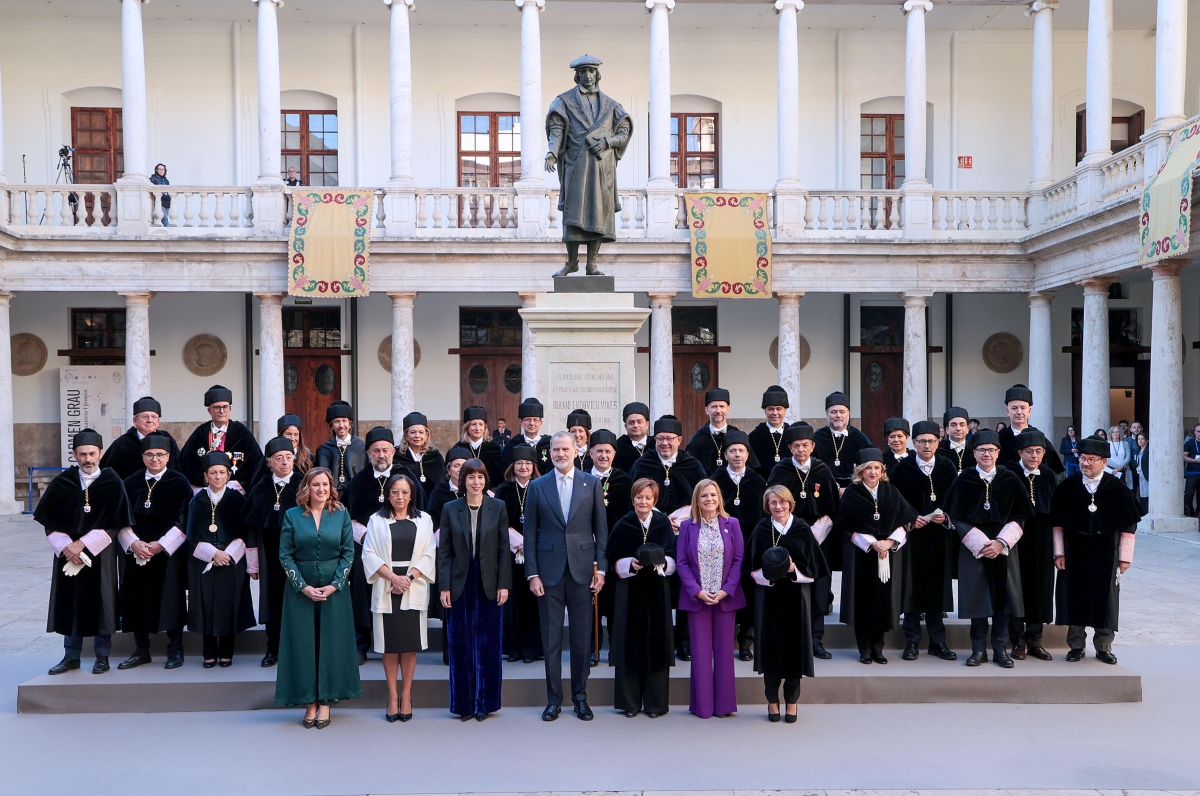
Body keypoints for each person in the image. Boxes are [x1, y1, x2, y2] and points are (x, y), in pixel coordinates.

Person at [522, 431, 609, 722]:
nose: (560, 454)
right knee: (551, 639)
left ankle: (580, 698)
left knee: (582, 639)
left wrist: (602, 569)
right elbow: (530, 535)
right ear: (549, 453)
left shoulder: (592, 483)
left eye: (565, 449)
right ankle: (553, 700)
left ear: (576, 451)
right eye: (555, 449)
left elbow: (601, 531)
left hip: (583, 571)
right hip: (548, 574)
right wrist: (532, 573)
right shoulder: (537, 486)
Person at [37, 429, 134, 675]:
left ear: (100, 453)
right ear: (74, 455)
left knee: (103, 602)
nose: (87, 459)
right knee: (71, 602)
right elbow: (49, 520)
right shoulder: (63, 482)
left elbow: (116, 522)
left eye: (92, 453)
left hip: (100, 554)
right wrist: (68, 547)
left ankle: (102, 656)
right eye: (82, 454)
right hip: (67, 554)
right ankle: (71, 656)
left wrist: (84, 545)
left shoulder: (113, 482)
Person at [275, 467, 361, 728]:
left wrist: (336, 585)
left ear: (331, 487)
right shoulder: (292, 515)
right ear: (307, 488)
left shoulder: (342, 514)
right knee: (303, 646)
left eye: (325, 484)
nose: (321, 489)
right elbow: (285, 555)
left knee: (331, 646)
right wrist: (302, 586)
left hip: (334, 592)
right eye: (316, 485)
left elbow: (348, 552)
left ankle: (326, 702)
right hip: (300, 592)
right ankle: (309, 702)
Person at [942, 429, 1033, 668]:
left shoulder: (1010, 478)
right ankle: (978, 649)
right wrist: (982, 544)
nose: (986, 454)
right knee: (977, 599)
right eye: (982, 450)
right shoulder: (963, 480)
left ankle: (1001, 649)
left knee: (1003, 600)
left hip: (1003, 547)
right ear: (974, 453)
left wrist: (1000, 542)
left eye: (991, 450)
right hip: (975, 549)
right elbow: (956, 516)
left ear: (998, 453)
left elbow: (1021, 516)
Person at [1051, 435, 1141, 664]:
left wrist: (1125, 558)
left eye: (1092, 459)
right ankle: (1076, 646)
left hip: (1106, 552)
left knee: (1106, 599)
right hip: (1074, 551)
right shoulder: (1067, 487)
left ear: (1104, 462)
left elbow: (1129, 526)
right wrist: (1059, 552)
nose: (1086, 463)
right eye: (1082, 458)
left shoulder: (1118, 489)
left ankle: (1103, 646)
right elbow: (1057, 524)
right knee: (1074, 597)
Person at [545, 53, 632, 276]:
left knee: (598, 214)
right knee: (574, 215)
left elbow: (624, 131)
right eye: (583, 72)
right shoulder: (563, 101)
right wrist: (552, 152)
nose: (588, 76)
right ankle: (572, 261)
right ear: (577, 76)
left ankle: (592, 264)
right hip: (575, 167)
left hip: (601, 169)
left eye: (591, 71)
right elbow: (557, 129)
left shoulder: (612, 106)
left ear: (597, 74)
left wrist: (607, 142)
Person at [628, 414, 707, 660]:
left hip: (686, 535)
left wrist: (683, 517)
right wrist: (661, 518)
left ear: (679, 440)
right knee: (655, 585)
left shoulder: (692, 464)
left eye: (669, 439)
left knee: (686, 585)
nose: (664, 444)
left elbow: (704, 498)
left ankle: (684, 640)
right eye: (660, 439)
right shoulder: (644, 463)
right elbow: (635, 497)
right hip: (652, 534)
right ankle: (658, 638)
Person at [438, 459, 511, 720]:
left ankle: (486, 703)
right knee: (461, 644)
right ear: (463, 480)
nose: (476, 482)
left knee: (489, 645)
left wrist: (504, 583)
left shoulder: (498, 507)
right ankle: (464, 705)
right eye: (471, 477)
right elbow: (444, 551)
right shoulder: (450, 508)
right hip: (460, 582)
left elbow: (504, 550)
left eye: (480, 477)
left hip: (490, 583)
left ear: (485, 480)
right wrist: (444, 586)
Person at [749, 485, 829, 723]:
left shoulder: (802, 529)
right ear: (767, 506)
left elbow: (814, 571)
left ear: (790, 503)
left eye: (782, 502)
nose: (778, 506)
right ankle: (772, 700)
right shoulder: (762, 529)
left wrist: (793, 571)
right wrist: (770, 575)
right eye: (773, 503)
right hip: (769, 598)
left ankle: (792, 701)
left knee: (795, 650)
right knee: (771, 650)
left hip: (796, 596)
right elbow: (752, 569)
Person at [345, 427, 424, 663]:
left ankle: (399, 643)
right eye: (376, 450)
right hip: (366, 549)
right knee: (361, 591)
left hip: (402, 549)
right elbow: (348, 517)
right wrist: (367, 535)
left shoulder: (406, 478)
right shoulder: (358, 482)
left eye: (385, 450)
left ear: (393, 451)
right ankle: (361, 642)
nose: (381, 455)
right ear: (368, 453)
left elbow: (421, 513)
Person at [116, 434, 193, 670]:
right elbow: (119, 518)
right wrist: (133, 543)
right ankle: (141, 650)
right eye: (149, 455)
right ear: (142, 457)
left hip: (168, 553)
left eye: (160, 455)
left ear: (168, 456)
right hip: (136, 552)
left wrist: (161, 545)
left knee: (171, 598)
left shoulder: (179, 482)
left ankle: (175, 650)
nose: (155, 459)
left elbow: (184, 521)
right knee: (136, 599)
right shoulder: (129, 483)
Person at [362, 473, 436, 722]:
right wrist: (393, 578)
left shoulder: (424, 519)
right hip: (386, 585)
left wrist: (408, 579)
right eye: (395, 491)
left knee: (409, 646)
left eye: (404, 492)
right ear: (387, 493)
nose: (400, 497)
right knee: (389, 646)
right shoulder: (376, 520)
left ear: (412, 494)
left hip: (412, 585)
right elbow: (369, 553)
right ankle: (392, 696)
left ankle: (407, 695)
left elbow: (428, 554)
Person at [834, 449, 917, 664]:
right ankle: (864, 649)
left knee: (883, 601)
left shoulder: (891, 491)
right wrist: (871, 542)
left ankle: (878, 648)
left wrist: (889, 543)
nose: (872, 472)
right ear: (860, 471)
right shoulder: (853, 492)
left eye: (877, 468)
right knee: (862, 602)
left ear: (882, 470)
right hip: (862, 555)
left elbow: (905, 520)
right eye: (868, 468)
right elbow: (845, 525)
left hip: (886, 554)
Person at [767, 422, 839, 660]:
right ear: (789, 447)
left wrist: (819, 528)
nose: (801, 450)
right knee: (789, 589)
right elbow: (772, 505)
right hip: (788, 537)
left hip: (821, 537)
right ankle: (788, 639)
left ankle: (816, 640)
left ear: (813, 446)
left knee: (818, 589)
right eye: (796, 445)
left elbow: (833, 506)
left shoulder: (822, 469)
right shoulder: (781, 470)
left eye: (805, 445)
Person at [888, 421, 959, 661]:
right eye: (921, 441)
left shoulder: (948, 467)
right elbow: (894, 503)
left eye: (931, 441)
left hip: (939, 538)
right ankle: (912, 641)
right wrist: (910, 520)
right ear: (913, 443)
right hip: (912, 539)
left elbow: (956, 501)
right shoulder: (902, 469)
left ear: (939, 442)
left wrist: (946, 517)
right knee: (911, 589)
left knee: (938, 590)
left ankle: (938, 642)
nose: (926, 445)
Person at [607, 478, 676, 718]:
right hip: (630, 592)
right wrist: (630, 564)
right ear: (632, 498)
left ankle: (656, 704)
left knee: (656, 642)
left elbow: (673, 555)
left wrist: (663, 562)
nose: (643, 501)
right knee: (629, 642)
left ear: (654, 500)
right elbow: (612, 557)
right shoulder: (623, 524)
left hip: (658, 589)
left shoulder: (663, 523)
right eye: (639, 497)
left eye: (648, 497)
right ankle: (630, 703)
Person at [677, 480, 744, 719]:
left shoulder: (732, 524)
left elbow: (738, 559)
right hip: (698, 600)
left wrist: (727, 589)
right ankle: (703, 707)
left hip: (725, 598)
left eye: (713, 495)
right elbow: (682, 563)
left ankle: (724, 706)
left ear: (719, 498)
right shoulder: (687, 527)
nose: (709, 499)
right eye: (704, 495)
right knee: (701, 653)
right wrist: (696, 590)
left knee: (725, 653)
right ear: (697, 499)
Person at [184, 451, 256, 668]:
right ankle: (208, 651)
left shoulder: (238, 499)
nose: (217, 477)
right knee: (206, 604)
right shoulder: (197, 501)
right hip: (204, 561)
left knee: (228, 604)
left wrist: (228, 555)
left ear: (228, 475)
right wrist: (212, 554)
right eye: (212, 473)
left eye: (222, 473)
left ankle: (226, 651)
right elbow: (191, 535)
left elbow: (246, 532)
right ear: (205, 475)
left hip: (232, 560)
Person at [243, 437, 303, 667]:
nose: (285, 462)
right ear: (270, 462)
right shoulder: (260, 488)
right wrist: (253, 563)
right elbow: (252, 527)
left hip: (299, 555)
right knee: (272, 601)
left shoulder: (303, 484)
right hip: (270, 556)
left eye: (288, 457)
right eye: (279, 458)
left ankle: (298, 649)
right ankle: (273, 648)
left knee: (298, 601)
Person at [710, 429, 766, 661]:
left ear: (747, 453)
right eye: (732, 451)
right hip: (722, 547)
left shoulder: (757, 480)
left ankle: (746, 642)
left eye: (741, 451)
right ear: (725, 454)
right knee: (724, 592)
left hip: (751, 546)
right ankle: (721, 642)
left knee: (749, 594)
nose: (737, 455)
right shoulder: (715, 480)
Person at [1008, 428, 1058, 662]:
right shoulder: (1009, 473)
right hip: (1016, 541)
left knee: (1040, 589)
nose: (1034, 456)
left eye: (1039, 451)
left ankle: (1035, 640)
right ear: (1020, 452)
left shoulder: (1048, 475)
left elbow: (1057, 513)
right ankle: (1017, 641)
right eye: (1029, 451)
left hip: (1042, 542)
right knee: (1017, 589)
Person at [493, 445, 545, 664]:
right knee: (513, 602)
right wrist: (517, 542)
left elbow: (549, 517)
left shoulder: (542, 487)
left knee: (533, 601)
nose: (523, 467)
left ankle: (532, 648)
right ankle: (513, 648)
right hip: (510, 554)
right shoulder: (504, 490)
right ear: (512, 466)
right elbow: (497, 519)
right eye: (519, 463)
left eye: (528, 463)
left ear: (534, 467)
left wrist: (530, 542)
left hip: (537, 553)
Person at [589, 428, 631, 665]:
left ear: (614, 454)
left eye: (608, 451)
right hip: (589, 550)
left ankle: (616, 650)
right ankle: (593, 649)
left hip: (617, 550)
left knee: (616, 604)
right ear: (590, 453)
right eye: (599, 451)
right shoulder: (582, 478)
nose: (603, 456)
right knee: (592, 601)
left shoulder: (624, 480)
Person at [180, 385, 263, 493]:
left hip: (236, 494)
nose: (222, 411)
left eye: (225, 407)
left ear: (230, 409)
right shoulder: (200, 434)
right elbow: (185, 464)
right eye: (217, 407)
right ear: (209, 410)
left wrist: (242, 485)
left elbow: (258, 465)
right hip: (206, 493)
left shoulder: (242, 433)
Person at [100, 396, 181, 479]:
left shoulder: (168, 441)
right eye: (145, 417)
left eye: (154, 417)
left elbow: (179, 467)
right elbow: (108, 474)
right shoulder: (122, 444)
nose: (150, 420)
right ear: (135, 421)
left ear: (158, 422)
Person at [686, 387, 759, 475]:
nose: (718, 411)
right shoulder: (697, 439)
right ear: (706, 410)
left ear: (728, 410)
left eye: (721, 406)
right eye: (714, 407)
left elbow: (751, 468)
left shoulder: (738, 435)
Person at [998, 384, 1064, 474]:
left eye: (1023, 408)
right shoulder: (999, 439)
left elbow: (1055, 471)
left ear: (1029, 411)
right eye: (1014, 408)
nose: (1019, 412)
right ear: (1007, 411)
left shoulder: (1040, 438)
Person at [814, 391, 873, 488]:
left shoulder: (860, 438)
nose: (838, 415)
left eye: (842, 412)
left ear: (848, 414)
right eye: (833, 412)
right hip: (825, 488)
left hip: (854, 489)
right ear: (827, 414)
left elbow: (869, 467)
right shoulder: (817, 438)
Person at [315, 400, 366, 498]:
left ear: (350, 424)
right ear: (331, 426)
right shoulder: (323, 450)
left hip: (356, 497)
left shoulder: (362, 447)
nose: (341, 425)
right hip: (331, 498)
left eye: (344, 420)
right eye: (337, 422)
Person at [398, 411, 447, 500]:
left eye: (421, 432)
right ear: (406, 435)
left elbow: (441, 484)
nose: (417, 436)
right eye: (412, 432)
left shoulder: (434, 456)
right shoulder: (397, 456)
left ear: (426, 435)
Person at [749, 385, 791, 479]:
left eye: (779, 409)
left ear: (785, 411)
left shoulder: (793, 435)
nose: (775, 413)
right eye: (771, 409)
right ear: (765, 411)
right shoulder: (753, 437)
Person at [427, 444, 472, 528]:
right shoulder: (439, 492)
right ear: (448, 469)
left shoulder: (476, 489)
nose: (460, 470)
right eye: (456, 466)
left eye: (464, 466)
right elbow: (433, 519)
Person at [504, 398, 553, 475]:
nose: (532, 423)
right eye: (528, 419)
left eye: (535, 420)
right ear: (521, 422)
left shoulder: (550, 444)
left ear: (541, 423)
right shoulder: (512, 445)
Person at [461, 405, 506, 487]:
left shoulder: (493, 448)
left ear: (485, 427)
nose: (477, 428)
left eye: (481, 424)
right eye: (473, 424)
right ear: (467, 427)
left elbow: (500, 475)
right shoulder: (460, 448)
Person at [615, 401, 651, 474]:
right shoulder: (618, 446)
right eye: (631, 422)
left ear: (647, 424)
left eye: (639, 422)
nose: (635, 425)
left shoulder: (656, 444)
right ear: (626, 426)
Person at [938, 406, 976, 474]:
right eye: (953, 425)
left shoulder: (975, 449)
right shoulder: (938, 450)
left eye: (962, 425)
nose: (958, 428)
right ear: (947, 429)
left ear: (967, 429)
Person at [1185, 424, 1200, 517]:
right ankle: (1190, 513)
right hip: (1192, 473)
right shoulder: (1189, 443)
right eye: (1198, 431)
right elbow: (1184, 456)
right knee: (1189, 495)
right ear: (1194, 432)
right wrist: (1196, 461)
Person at [1134, 431, 1150, 515]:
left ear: (1147, 441)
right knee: (1142, 494)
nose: (1140, 441)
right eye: (1138, 439)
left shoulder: (1149, 450)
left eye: (1142, 439)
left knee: (1148, 494)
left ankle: (1147, 511)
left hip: (1147, 475)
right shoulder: (1138, 450)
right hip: (1140, 476)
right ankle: (1143, 512)